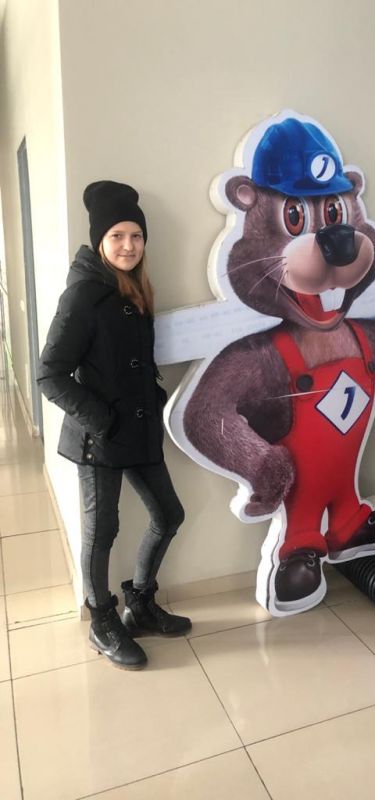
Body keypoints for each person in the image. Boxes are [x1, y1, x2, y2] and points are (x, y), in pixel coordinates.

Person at [38, 180, 190, 669]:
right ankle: (101, 620)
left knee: (169, 515)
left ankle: (139, 603)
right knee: (102, 530)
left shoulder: (136, 288)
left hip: (139, 430)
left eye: (136, 236)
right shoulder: (83, 294)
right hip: (98, 437)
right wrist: (103, 418)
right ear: (100, 240)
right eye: (117, 236)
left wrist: (154, 398)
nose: (128, 245)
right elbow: (49, 374)